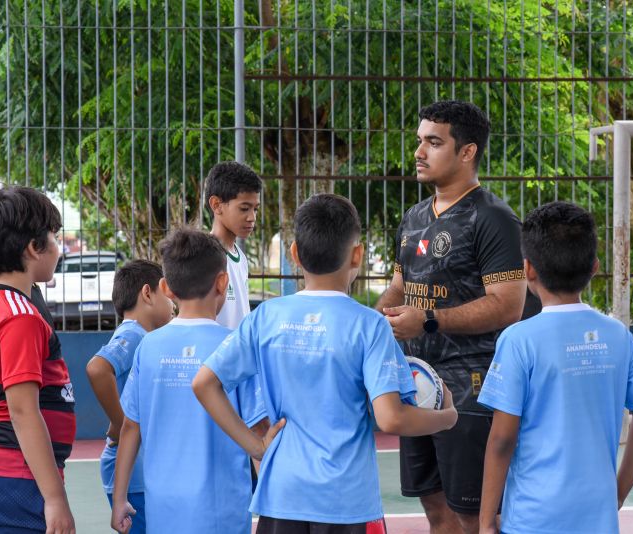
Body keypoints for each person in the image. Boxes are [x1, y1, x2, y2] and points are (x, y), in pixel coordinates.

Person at [193, 193, 458, 534]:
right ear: (357, 255)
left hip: (282, 493)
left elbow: (204, 383)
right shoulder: (370, 325)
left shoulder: (266, 318)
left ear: (294, 254)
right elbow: (391, 417)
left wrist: (255, 445)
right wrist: (446, 418)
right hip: (344, 500)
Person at [375, 100, 527, 533]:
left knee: (478, 515)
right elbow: (399, 287)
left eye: (434, 142)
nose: (419, 152)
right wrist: (372, 321)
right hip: (415, 382)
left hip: (470, 386)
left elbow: (507, 305)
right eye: (420, 141)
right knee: (435, 509)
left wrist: (428, 320)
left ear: (467, 152)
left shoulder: (493, 218)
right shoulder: (415, 217)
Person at [477, 201, 633, 534]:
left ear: (528, 269)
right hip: (597, 518)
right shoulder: (618, 336)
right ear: (594, 267)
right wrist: (616, 494)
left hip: (532, 519)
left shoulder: (518, 340)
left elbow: (502, 439)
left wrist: (486, 520)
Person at [110, 228, 281, 533]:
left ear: (167, 288)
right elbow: (258, 428)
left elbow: (129, 426)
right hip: (221, 511)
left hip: (163, 509)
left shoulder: (148, 346)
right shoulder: (234, 347)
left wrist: (120, 497)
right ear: (222, 282)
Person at [0, 186, 76, 533]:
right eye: (54, 236)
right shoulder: (20, 316)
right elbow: (22, 411)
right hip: (17, 476)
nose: (58, 247)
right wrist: (54, 499)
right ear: (34, 248)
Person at [86, 260, 174, 533]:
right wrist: (122, 424)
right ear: (148, 294)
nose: (173, 303)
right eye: (168, 293)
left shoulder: (144, 336)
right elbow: (98, 368)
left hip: (137, 473)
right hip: (133, 477)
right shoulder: (134, 334)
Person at [204, 160, 262, 329]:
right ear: (216, 205)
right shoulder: (204, 258)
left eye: (255, 209)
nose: (252, 217)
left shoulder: (240, 258)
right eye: (244, 208)